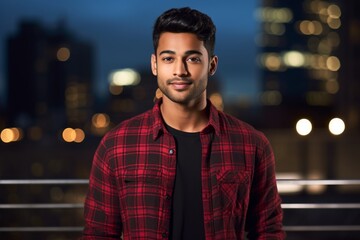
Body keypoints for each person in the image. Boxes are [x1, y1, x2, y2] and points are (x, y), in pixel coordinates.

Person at [82, 7, 285, 240]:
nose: (180, 70)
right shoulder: (116, 146)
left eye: (193, 58)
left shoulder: (252, 145)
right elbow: (99, 234)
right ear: (154, 64)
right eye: (168, 58)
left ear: (211, 65)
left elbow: (268, 231)